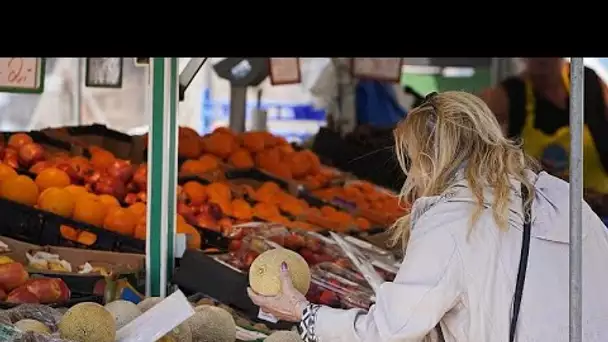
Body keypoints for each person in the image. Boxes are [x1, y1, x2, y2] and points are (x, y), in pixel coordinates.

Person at [248, 91, 608, 341]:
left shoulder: (454, 219)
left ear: (431, 158)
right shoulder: (562, 199)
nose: (413, 176)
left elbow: (389, 331)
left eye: (413, 159)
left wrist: (303, 313)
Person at [480, 58, 608, 216]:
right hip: (538, 215)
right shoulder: (507, 96)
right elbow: (484, 151)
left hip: (599, 210)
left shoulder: (589, 83)